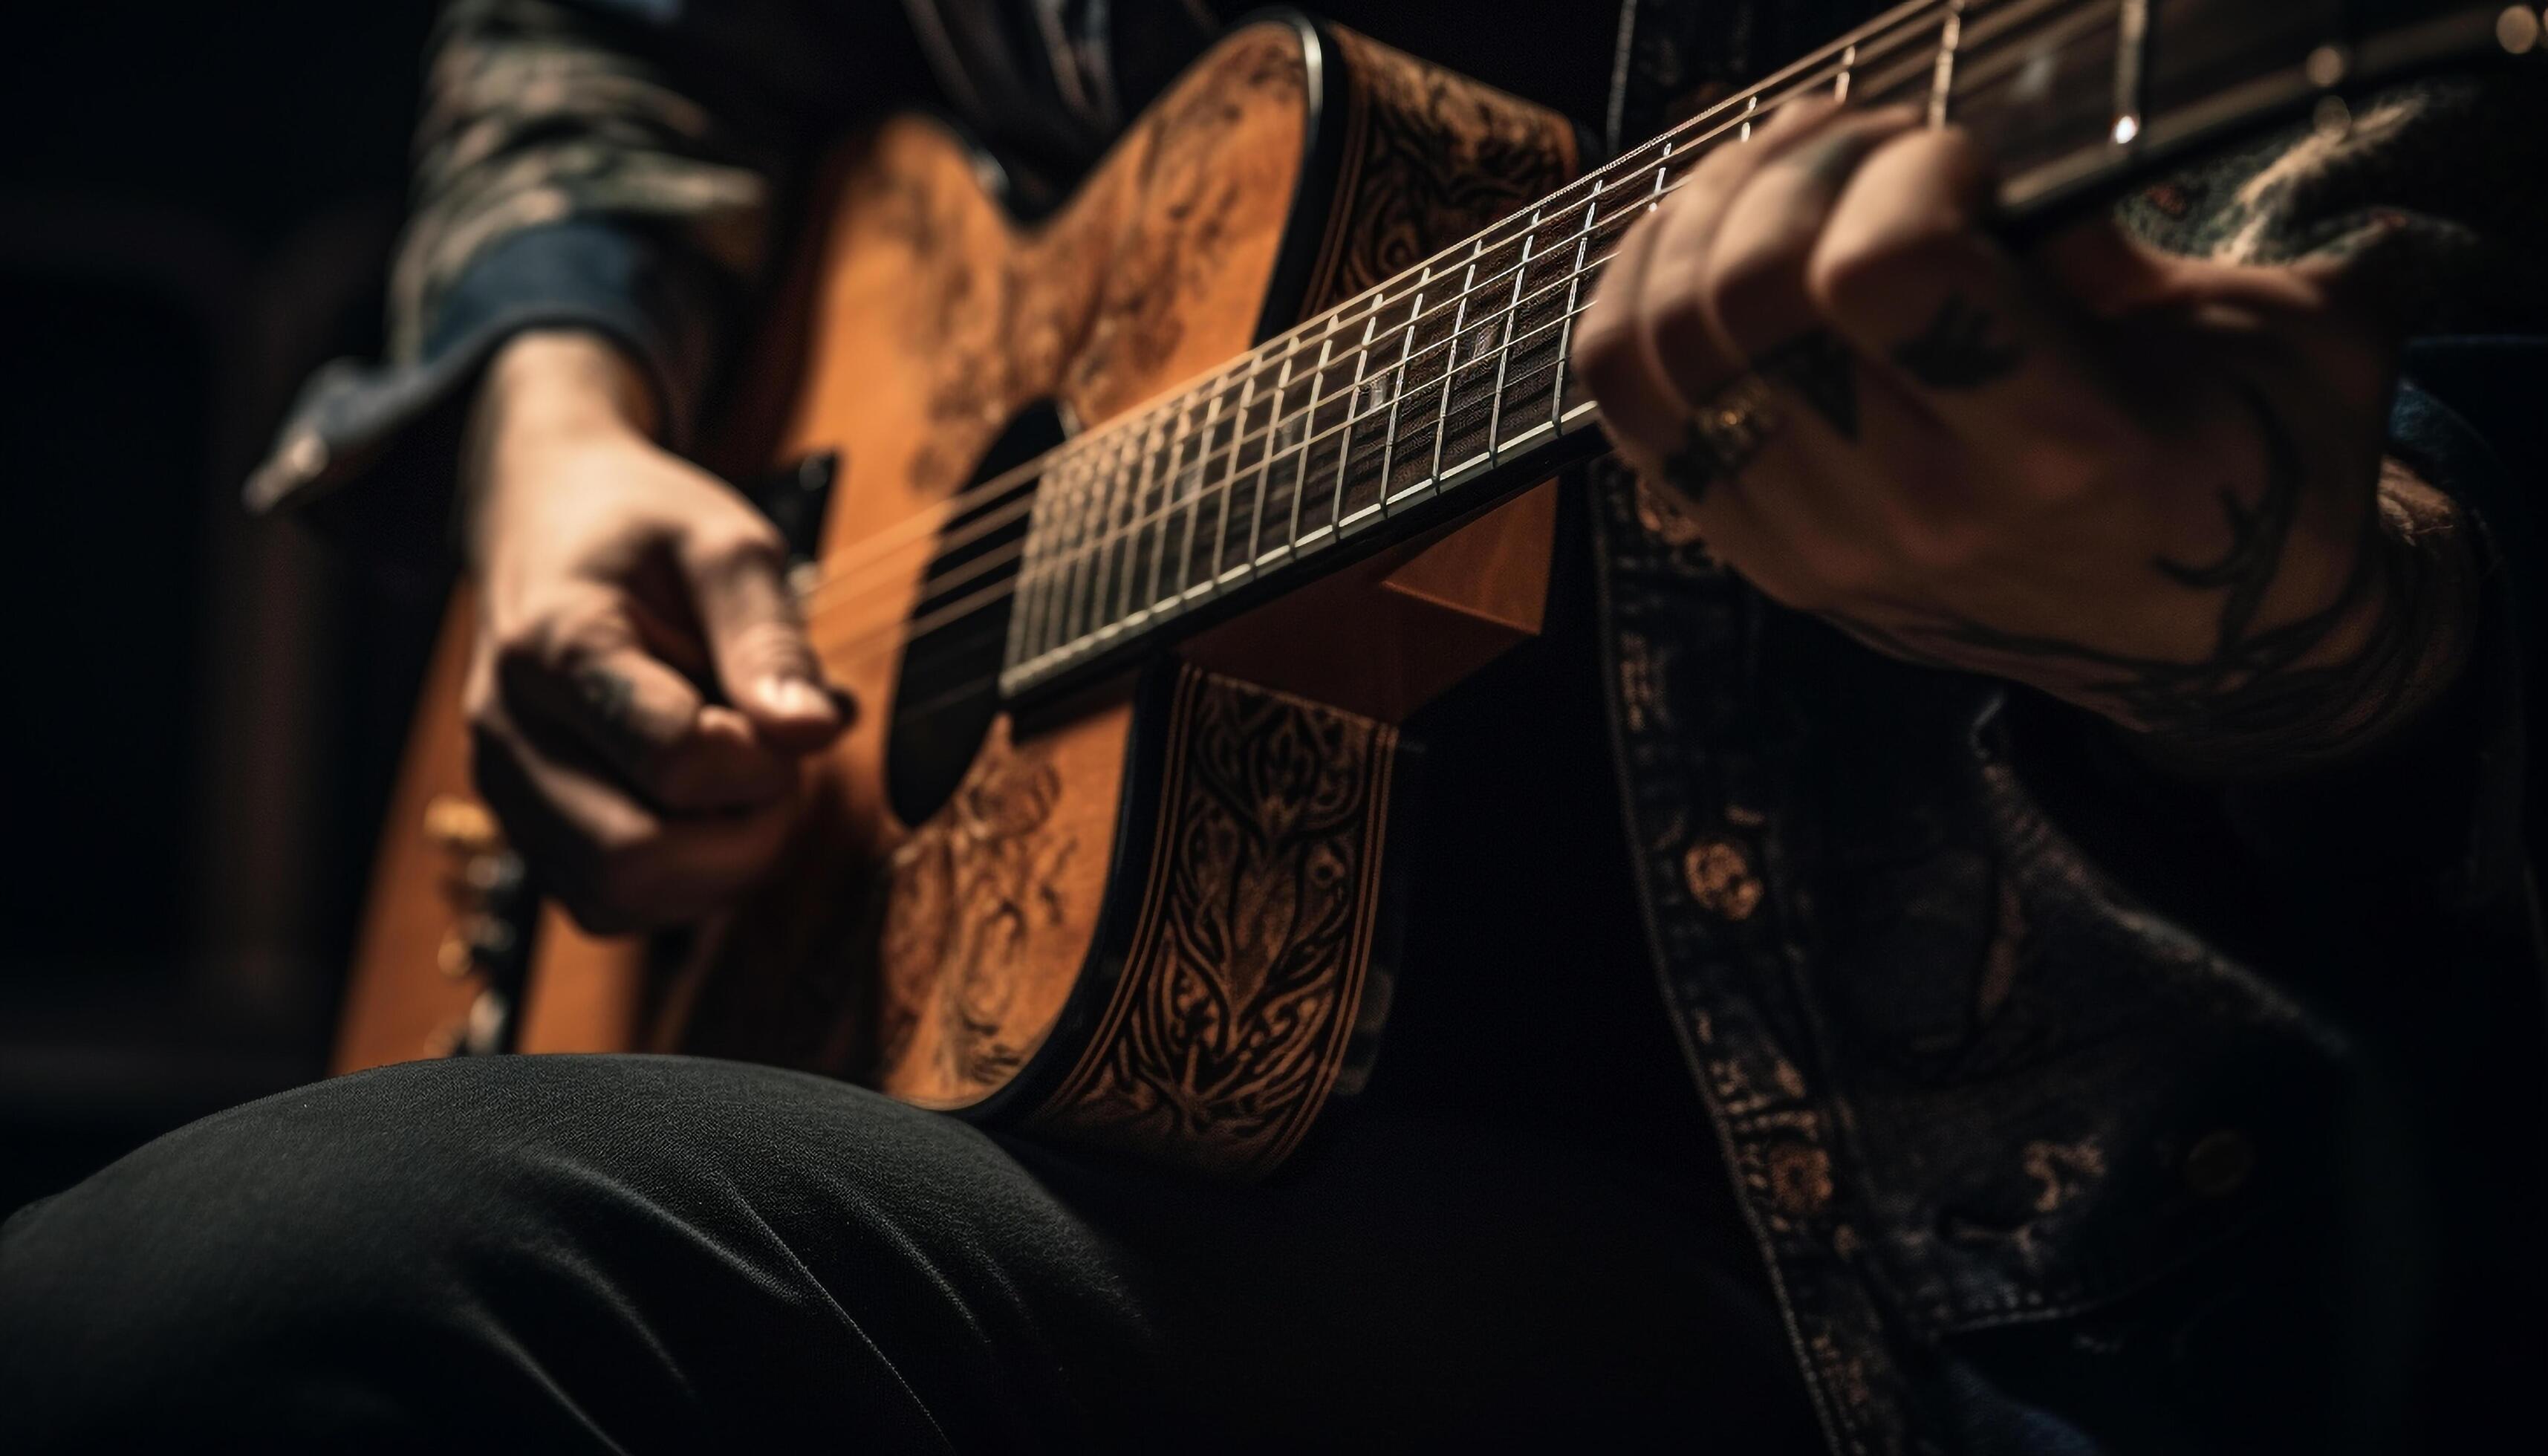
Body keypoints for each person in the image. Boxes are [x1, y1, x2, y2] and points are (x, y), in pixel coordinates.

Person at [6, 1, 2543, 1449]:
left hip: (1888, 1285)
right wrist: (556, 428)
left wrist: (2255, 615)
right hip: (1069, 1145)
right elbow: (623, 41)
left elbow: (2439, 582)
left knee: (270, 1299)